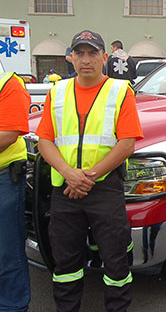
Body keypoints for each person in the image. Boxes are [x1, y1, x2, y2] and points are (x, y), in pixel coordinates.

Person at [36, 30, 143, 312]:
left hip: (104, 189)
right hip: (65, 190)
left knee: (116, 262)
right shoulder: (57, 92)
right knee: (66, 264)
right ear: (70, 57)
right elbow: (45, 140)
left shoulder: (120, 91)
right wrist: (69, 174)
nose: (86, 60)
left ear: (105, 57)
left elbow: (127, 143)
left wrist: (88, 175)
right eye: (80, 53)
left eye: (93, 53)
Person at [0, 72, 31, 312]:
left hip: (3, 179)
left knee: (7, 251)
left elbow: (8, 134)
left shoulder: (8, 84)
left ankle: (13, 307)